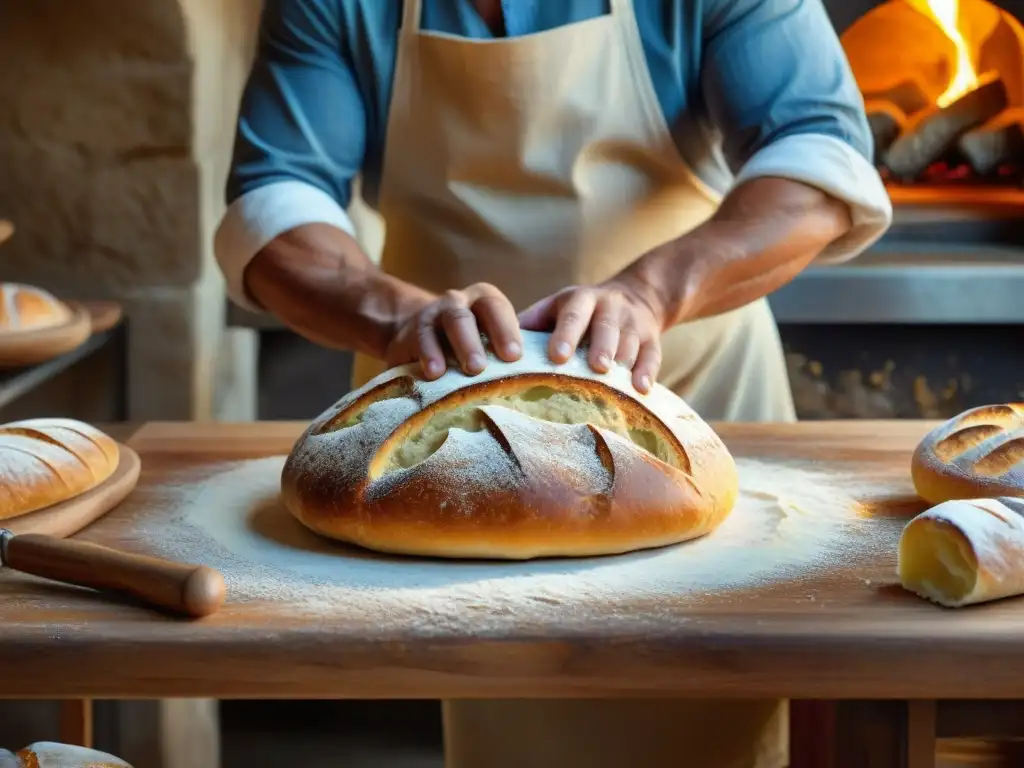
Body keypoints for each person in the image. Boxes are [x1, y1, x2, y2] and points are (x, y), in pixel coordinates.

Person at [215, 0, 892, 765]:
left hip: (683, 410)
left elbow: (818, 156)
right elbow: (276, 199)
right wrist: (388, 313)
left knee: (710, 700)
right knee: (508, 709)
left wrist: (653, 291)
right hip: (446, 428)